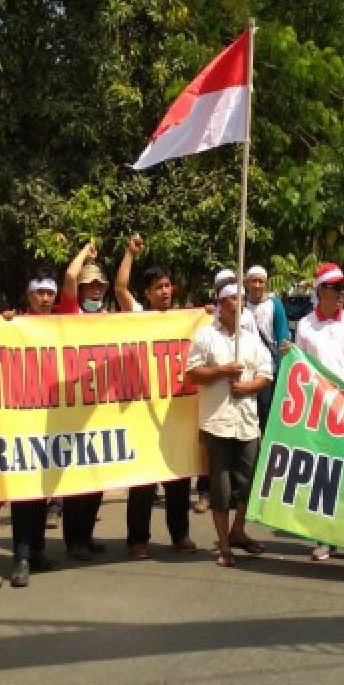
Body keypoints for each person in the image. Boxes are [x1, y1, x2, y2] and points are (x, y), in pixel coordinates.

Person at [115, 235, 196, 558]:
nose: (165, 292)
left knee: (178, 477)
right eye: (158, 288)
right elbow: (120, 289)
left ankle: (180, 534)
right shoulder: (138, 315)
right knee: (143, 481)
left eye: (167, 286)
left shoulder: (186, 320)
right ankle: (137, 540)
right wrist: (129, 254)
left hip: (175, 411)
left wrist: (205, 312)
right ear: (147, 294)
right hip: (141, 412)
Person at [185, 281, 272, 567]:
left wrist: (248, 387)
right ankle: (223, 544)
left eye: (242, 299)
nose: (239, 303)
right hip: (217, 422)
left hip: (246, 421)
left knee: (248, 482)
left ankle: (238, 530)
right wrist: (221, 371)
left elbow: (266, 373)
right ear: (221, 304)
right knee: (220, 486)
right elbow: (192, 374)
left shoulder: (251, 339)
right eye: (233, 298)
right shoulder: (205, 336)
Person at [293, 262, 344, 561]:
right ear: (321, 291)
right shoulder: (304, 326)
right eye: (337, 288)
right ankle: (323, 537)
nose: (342, 294)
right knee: (323, 476)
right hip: (319, 414)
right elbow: (298, 368)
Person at [3, 271, 62, 587]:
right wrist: (5, 322)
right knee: (25, 492)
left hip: (52, 420)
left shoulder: (62, 327)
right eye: (39, 293)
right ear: (28, 297)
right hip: (22, 419)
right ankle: (21, 557)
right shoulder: (14, 326)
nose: (45, 298)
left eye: (49, 293)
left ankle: (38, 550)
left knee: (43, 489)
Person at [58, 242, 109, 561]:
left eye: (98, 286)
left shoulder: (108, 318)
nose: (94, 291)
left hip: (99, 408)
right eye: (88, 286)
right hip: (72, 407)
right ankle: (73, 539)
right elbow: (68, 276)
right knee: (76, 477)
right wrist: (85, 253)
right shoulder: (70, 312)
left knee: (97, 476)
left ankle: (87, 536)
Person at [244, 264, 290, 430]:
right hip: (246, 368)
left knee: (266, 411)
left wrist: (282, 361)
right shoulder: (240, 305)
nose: (257, 285)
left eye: (260, 281)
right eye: (253, 281)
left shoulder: (275, 305)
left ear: (266, 283)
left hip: (268, 369)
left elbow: (282, 334)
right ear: (247, 283)